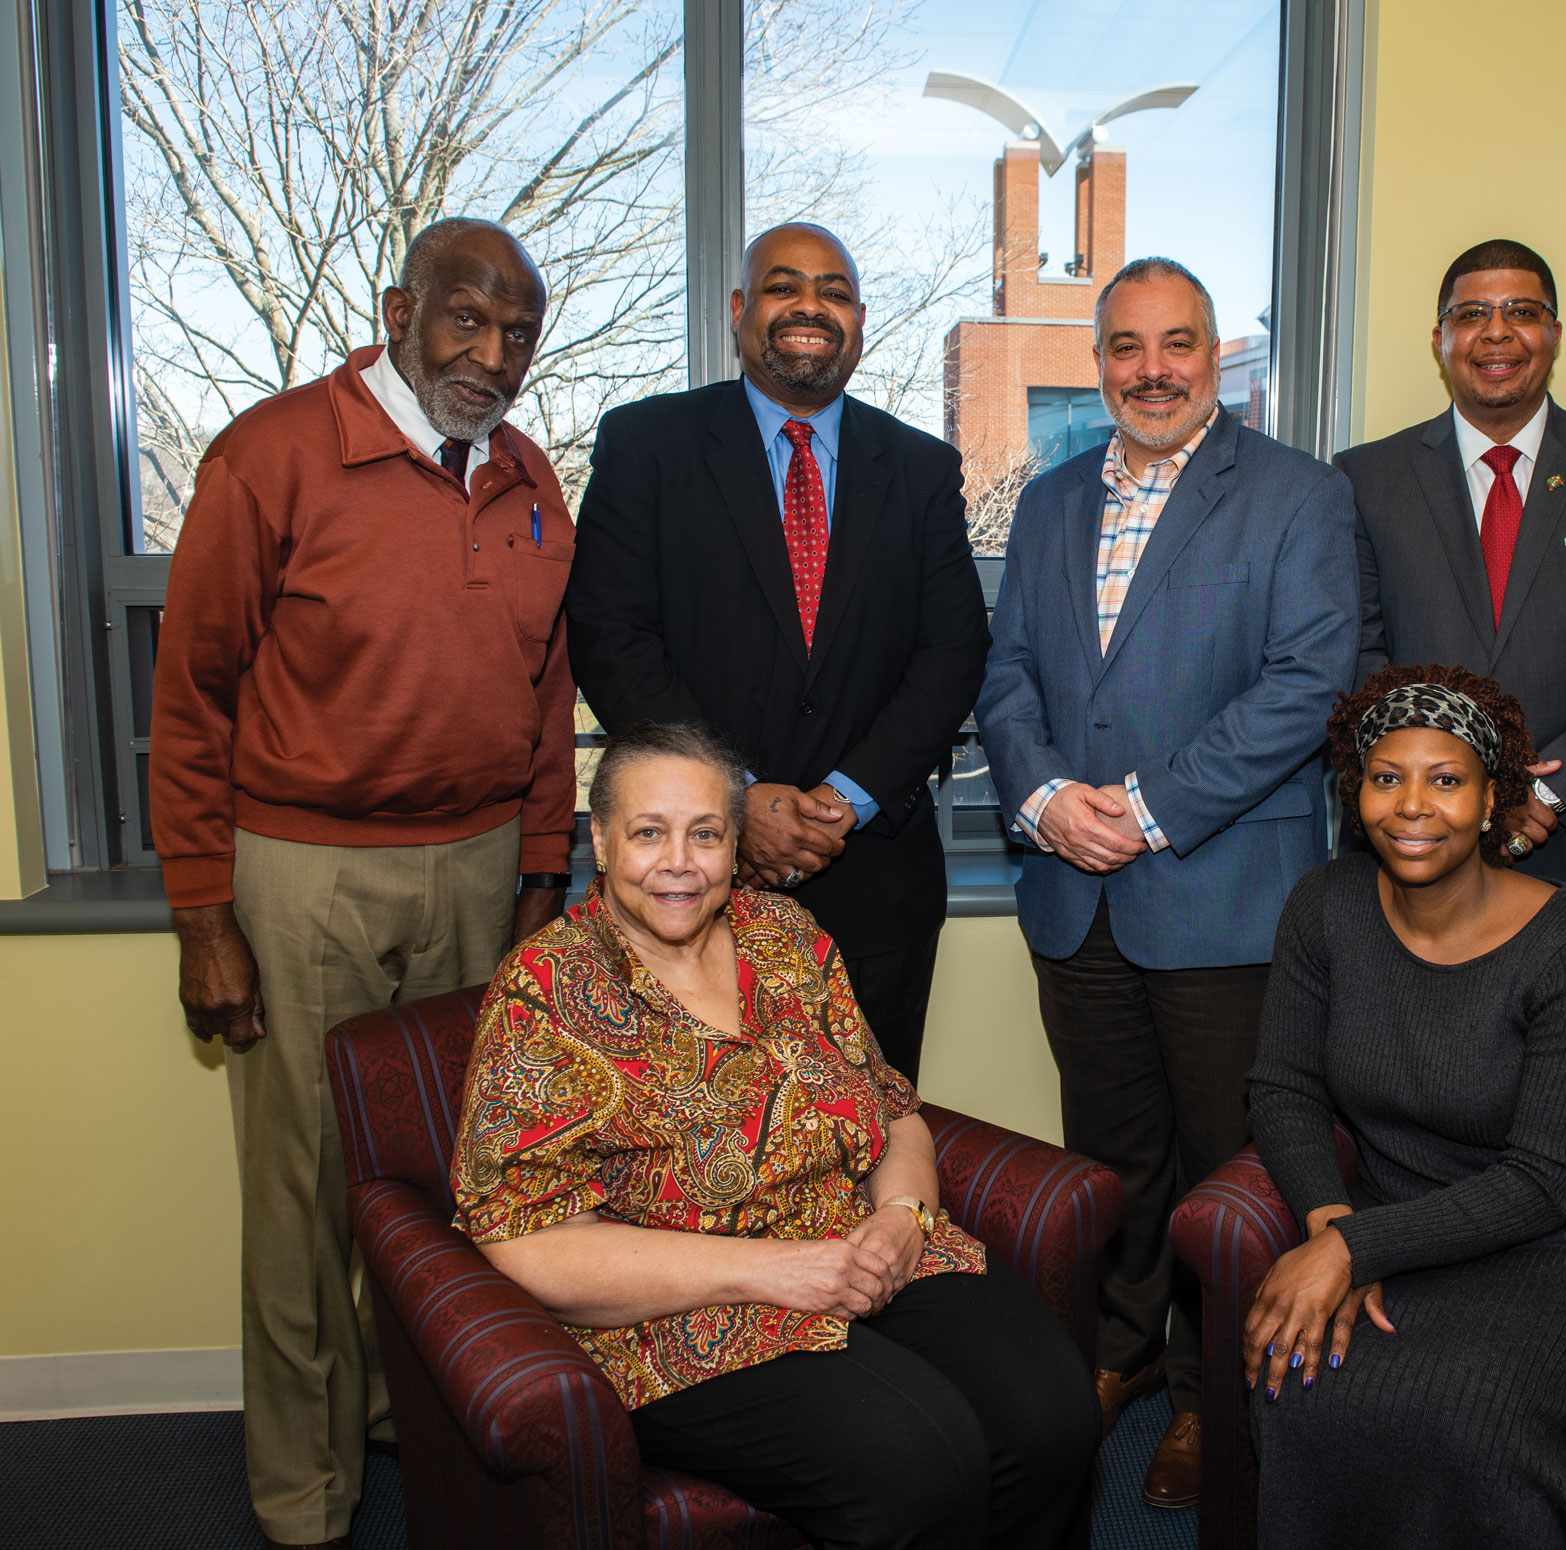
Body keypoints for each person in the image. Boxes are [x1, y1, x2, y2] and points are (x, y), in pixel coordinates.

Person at [149, 217, 577, 1549]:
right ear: (399, 309)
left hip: (475, 864)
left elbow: (548, 696)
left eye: (517, 333)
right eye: (465, 318)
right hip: (304, 872)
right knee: (306, 1186)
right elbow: (193, 695)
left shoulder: (525, 479)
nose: (490, 353)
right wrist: (204, 912)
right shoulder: (273, 453)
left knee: (450, 1176)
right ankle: (299, 1489)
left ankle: (411, 1411)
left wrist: (541, 874)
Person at [452, 721, 1100, 1549]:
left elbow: (893, 1107)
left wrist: (902, 1219)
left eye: (706, 834)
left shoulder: (786, 937)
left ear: (733, 846)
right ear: (604, 844)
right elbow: (525, 1240)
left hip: (864, 1249)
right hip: (686, 1314)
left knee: (1053, 1414)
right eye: (649, 833)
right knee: (916, 1463)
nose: (679, 861)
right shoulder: (544, 990)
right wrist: (776, 1271)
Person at [976, 255, 1358, 1507]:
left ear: (1215, 353)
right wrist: (1041, 799)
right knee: (1111, 1150)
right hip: (1072, 895)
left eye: (1177, 342)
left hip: (1218, 895)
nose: (1151, 368)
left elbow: (1305, 686)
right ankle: (1124, 1353)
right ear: (1096, 361)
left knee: (1223, 1169)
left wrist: (1141, 812)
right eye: (1125, 345)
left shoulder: (1297, 496)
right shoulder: (1045, 501)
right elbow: (1010, 675)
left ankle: (1216, 1394)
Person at [1243, 664, 1566, 1549]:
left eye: (1446, 779)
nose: (1412, 805)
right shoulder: (1324, 908)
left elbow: (1542, 1181)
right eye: (1387, 778)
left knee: (1467, 1411)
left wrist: (1354, 1247)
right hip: (1419, 1232)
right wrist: (1331, 1218)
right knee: (1299, 1379)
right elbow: (1283, 1088)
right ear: (1357, 793)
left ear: (1495, 799)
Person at [564, 222, 989, 1082]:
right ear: (738, 310)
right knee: (695, 1146)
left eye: (833, 291)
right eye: (784, 286)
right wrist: (737, 798)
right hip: (687, 879)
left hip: (875, 880)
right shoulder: (648, 446)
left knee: (869, 1133)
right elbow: (612, 639)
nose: (810, 307)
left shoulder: (921, 469)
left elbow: (953, 651)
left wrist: (846, 797)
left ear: (860, 319)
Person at [1336, 237, 1566, 951]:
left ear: (1555, 334)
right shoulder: (1364, 480)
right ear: (1440, 339)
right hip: (1414, 851)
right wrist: (1448, 791)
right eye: (1471, 313)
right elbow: (1359, 657)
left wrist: (1544, 793)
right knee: (1405, 1062)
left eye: (1521, 311)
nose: (1496, 332)